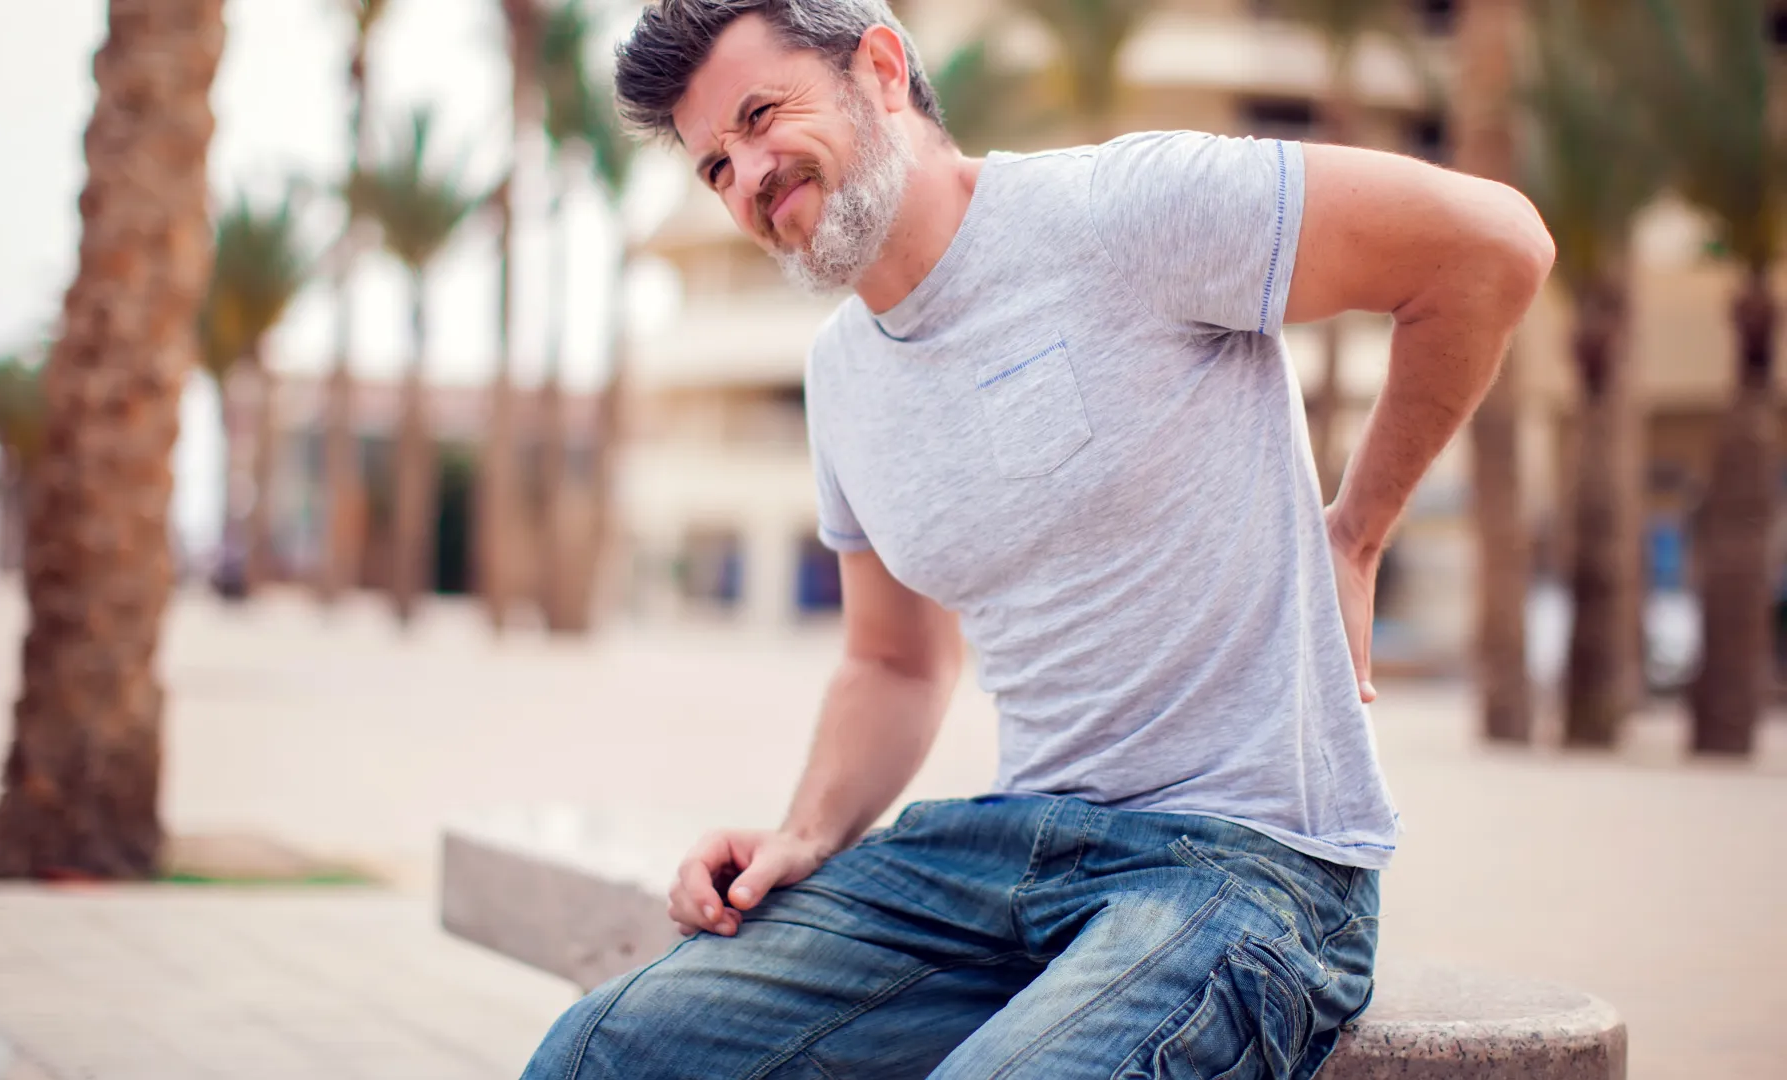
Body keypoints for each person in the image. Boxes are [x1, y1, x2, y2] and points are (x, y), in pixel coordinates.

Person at [523, 2, 1554, 1077]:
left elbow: (1491, 249)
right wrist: (806, 834)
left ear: (879, 67)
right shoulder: (841, 377)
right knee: (603, 1050)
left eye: (760, 114)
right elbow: (892, 661)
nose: (747, 175)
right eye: (713, 167)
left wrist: (1357, 535)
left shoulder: (1122, 209)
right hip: (1002, 860)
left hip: (1248, 864)